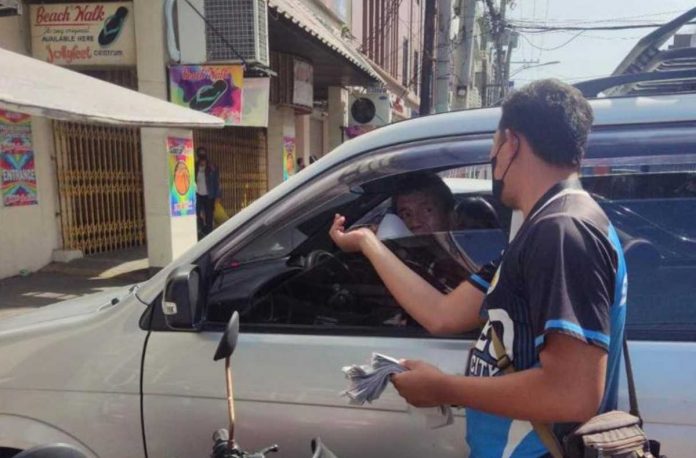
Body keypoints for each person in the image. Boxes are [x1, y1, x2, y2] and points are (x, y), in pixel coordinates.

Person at [329, 79, 627, 457]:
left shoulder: (563, 232)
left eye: (493, 144)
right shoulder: (540, 230)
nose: (492, 157)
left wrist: (443, 388)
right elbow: (442, 313)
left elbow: (572, 394)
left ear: (511, 143)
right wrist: (368, 243)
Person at [195, 147, 220, 238]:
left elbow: (216, 182)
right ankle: (201, 229)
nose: (202, 158)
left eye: (203, 155)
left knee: (209, 215)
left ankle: (209, 235)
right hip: (197, 195)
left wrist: (217, 196)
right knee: (196, 213)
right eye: (200, 155)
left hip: (209, 195)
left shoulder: (212, 167)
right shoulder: (194, 166)